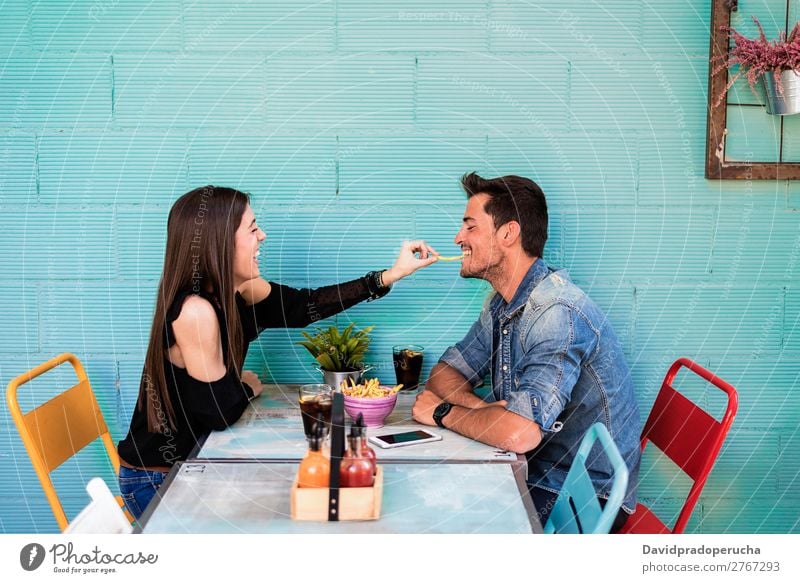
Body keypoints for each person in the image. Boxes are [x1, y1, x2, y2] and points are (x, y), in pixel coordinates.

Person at [117, 185, 438, 519]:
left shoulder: (241, 289)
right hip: (158, 477)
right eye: (253, 229)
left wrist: (390, 275)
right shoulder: (195, 311)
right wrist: (247, 386)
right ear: (220, 241)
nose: (263, 236)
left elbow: (305, 306)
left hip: (197, 462)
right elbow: (218, 412)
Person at [412, 172, 641, 532]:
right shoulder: (502, 305)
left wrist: (442, 412)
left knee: (441, 527)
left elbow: (520, 434)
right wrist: (486, 412)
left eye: (470, 227)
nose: (459, 238)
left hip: (576, 494)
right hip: (532, 468)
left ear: (508, 233)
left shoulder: (555, 312)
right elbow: (444, 373)